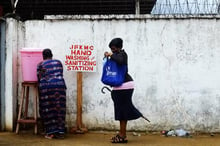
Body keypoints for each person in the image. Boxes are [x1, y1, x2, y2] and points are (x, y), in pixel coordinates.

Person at [104, 38, 143, 143]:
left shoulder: (122, 55)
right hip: (120, 87)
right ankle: (122, 134)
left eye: (113, 49)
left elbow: (120, 60)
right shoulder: (116, 55)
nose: (112, 51)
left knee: (122, 112)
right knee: (121, 111)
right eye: (111, 49)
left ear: (119, 47)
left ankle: (122, 135)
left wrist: (111, 55)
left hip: (125, 86)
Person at [37, 48, 67, 139]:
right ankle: (60, 132)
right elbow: (60, 73)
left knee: (48, 109)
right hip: (60, 88)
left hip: (47, 89)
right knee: (59, 109)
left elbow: (39, 77)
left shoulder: (40, 64)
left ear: (43, 56)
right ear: (52, 55)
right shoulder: (59, 62)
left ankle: (51, 133)